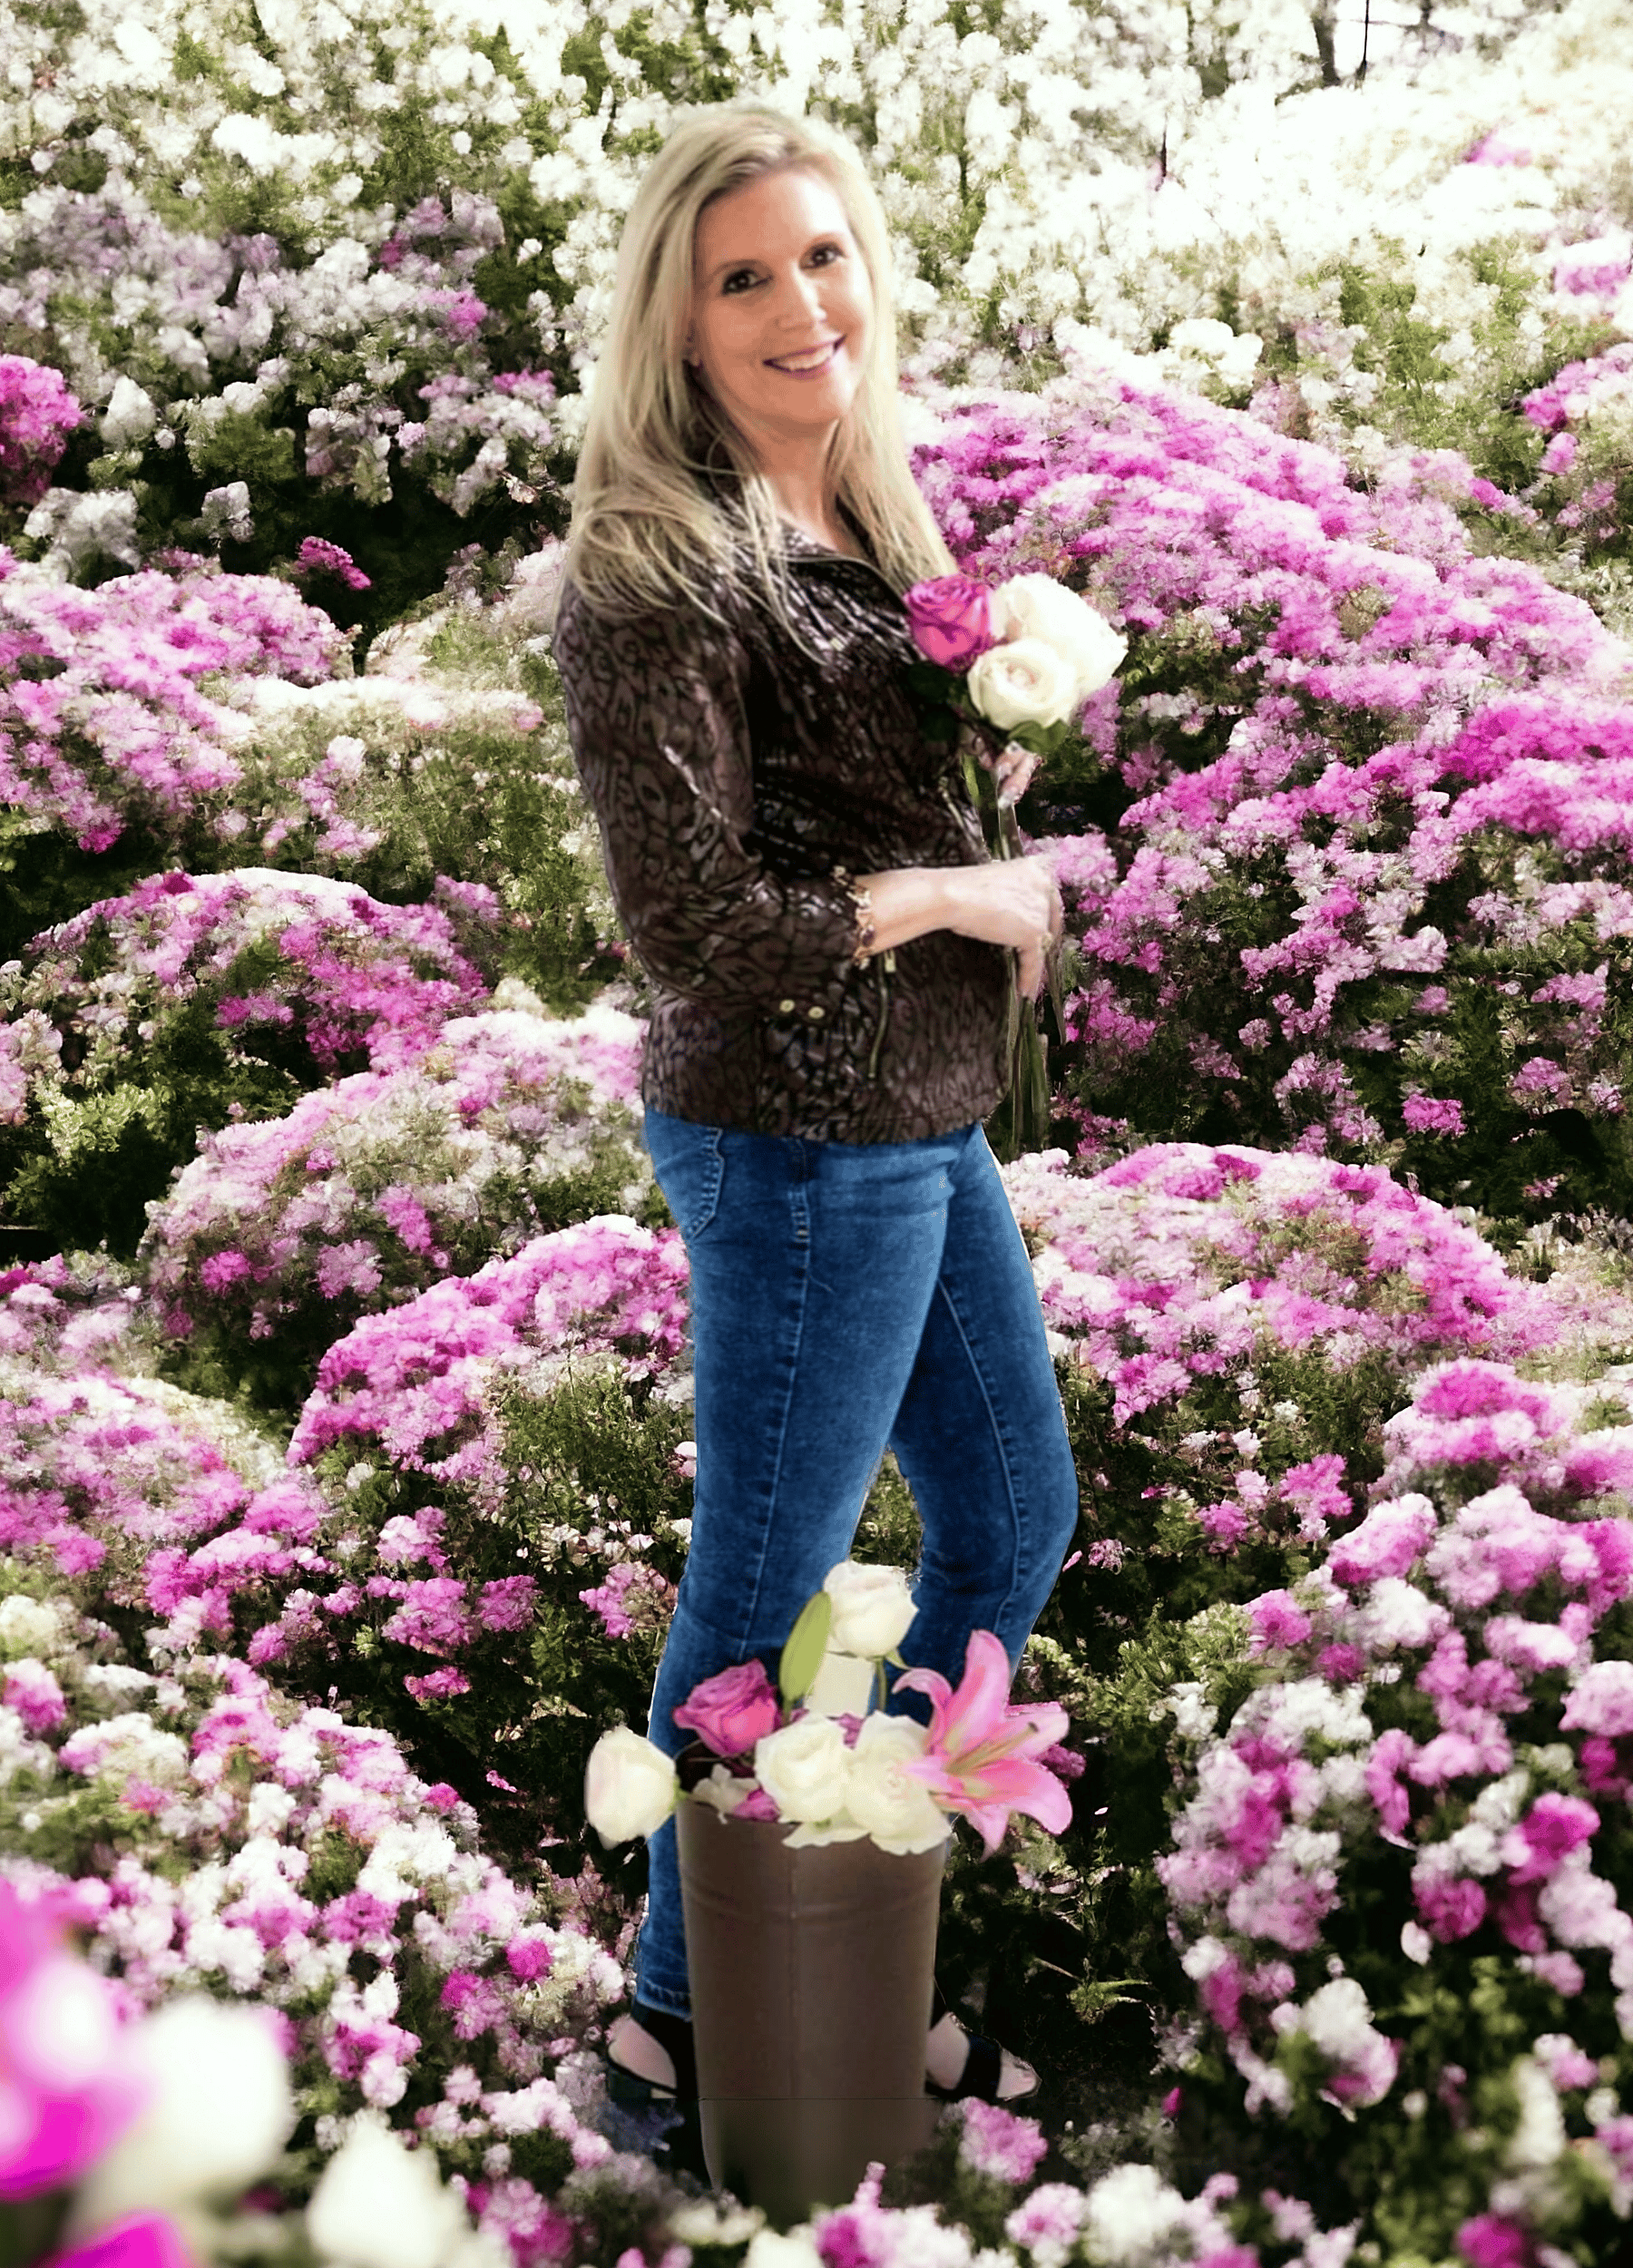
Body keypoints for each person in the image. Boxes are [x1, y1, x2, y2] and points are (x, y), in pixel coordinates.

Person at [551, 100, 1080, 2118]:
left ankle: (844, 1952)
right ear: (679, 327)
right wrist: (957, 887)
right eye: (746, 276)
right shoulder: (652, 570)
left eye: (826, 255)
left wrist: (987, 778)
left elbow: (851, 806)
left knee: (1011, 1522)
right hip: (793, 1139)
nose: (802, 304)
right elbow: (691, 920)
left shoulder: (873, 515)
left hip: (920, 1121)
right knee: (764, 1590)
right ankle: (675, 2024)